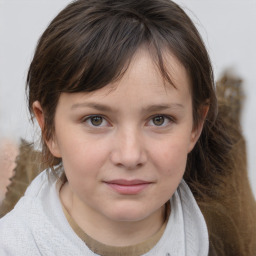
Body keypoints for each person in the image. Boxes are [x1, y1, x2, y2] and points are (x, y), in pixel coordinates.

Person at [0, 0, 255, 255]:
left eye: (159, 119)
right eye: (96, 120)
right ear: (49, 130)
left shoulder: (217, 232)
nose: (130, 156)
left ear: (195, 125)